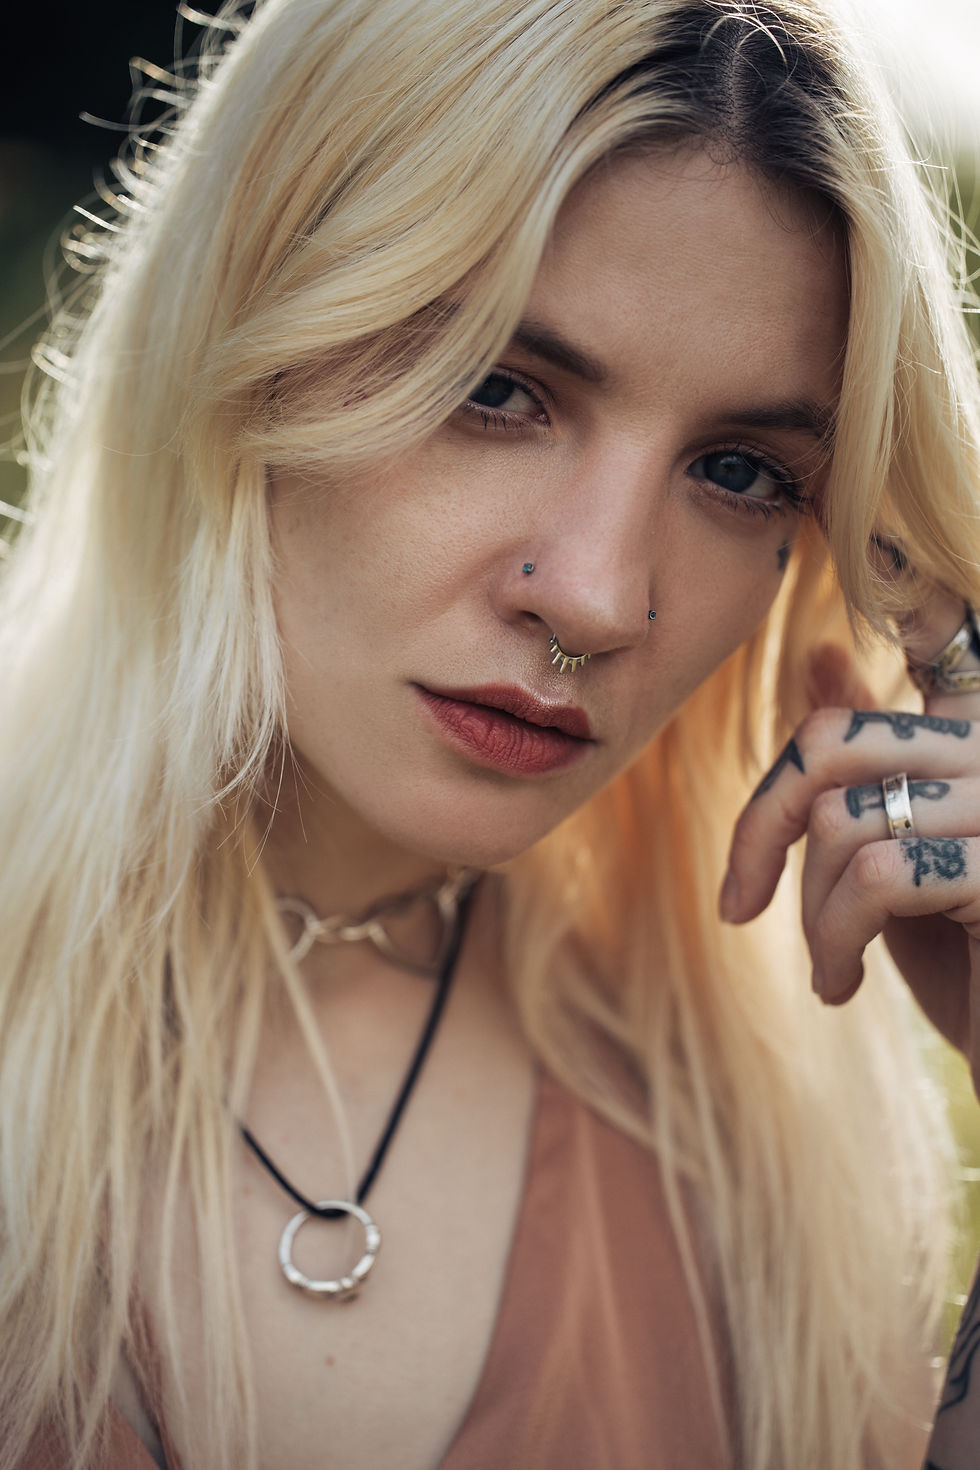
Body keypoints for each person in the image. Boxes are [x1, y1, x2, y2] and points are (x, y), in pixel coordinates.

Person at [3, 0, 980, 1465]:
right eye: (494, 387)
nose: (595, 598)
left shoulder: (760, 1185)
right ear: (241, 333)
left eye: (738, 470)